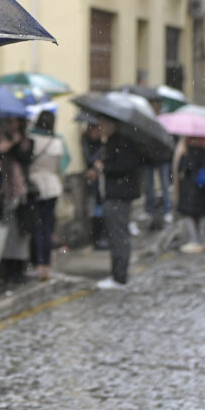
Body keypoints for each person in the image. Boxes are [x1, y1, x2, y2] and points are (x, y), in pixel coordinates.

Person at [86, 116, 142, 289]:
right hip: (115, 193)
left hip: (119, 194)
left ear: (111, 124)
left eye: (102, 124)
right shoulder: (113, 141)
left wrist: (105, 168)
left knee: (118, 236)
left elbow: (125, 166)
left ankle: (119, 277)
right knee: (117, 235)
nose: (100, 127)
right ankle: (118, 274)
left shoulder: (122, 142)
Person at [27, 110, 67, 279]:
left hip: (35, 185)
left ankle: (38, 263)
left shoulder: (31, 140)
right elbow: (61, 166)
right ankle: (47, 264)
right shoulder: (57, 142)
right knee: (48, 226)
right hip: (52, 186)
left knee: (36, 227)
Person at [0, 116, 33, 284]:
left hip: (21, 193)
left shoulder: (27, 141)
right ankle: (8, 269)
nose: (11, 124)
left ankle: (19, 268)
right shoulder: (1, 140)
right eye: (8, 121)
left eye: (13, 121)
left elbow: (25, 158)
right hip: (5, 192)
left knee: (20, 232)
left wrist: (14, 144)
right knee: (7, 233)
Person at [174, 135, 205, 254]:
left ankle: (194, 241)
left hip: (189, 187)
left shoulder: (188, 152)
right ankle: (201, 240)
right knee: (203, 213)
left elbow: (181, 169)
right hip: (203, 187)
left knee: (188, 214)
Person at [142, 96, 174, 227]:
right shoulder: (146, 120)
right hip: (149, 158)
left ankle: (167, 209)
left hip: (162, 157)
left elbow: (169, 140)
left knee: (165, 185)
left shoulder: (165, 121)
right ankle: (148, 209)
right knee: (149, 187)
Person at [81, 120, 108, 249]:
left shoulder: (102, 143)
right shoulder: (86, 142)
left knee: (101, 206)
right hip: (91, 180)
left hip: (100, 179)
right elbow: (89, 159)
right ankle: (97, 238)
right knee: (95, 207)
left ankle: (101, 236)